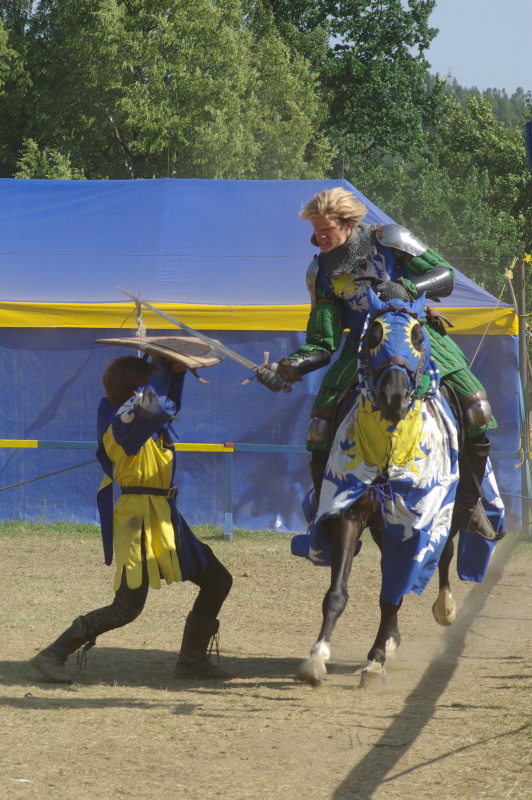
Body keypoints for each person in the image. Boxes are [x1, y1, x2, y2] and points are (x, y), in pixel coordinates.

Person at [257, 186, 499, 541]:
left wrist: (410, 289)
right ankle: (327, 520)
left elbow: (444, 275)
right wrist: (286, 369)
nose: (318, 237)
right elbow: (323, 342)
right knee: (319, 426)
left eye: (325, 229)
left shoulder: (390, 238)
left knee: (477, 408)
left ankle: (469, 503)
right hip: (362, 345)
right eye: (315, 229)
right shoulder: (320, 271)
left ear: (348, 224)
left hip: (414, 335)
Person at [31, 354, 235, 684]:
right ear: (138, 390)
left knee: (217, 580)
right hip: (138, 520)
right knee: (127, 608)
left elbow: (166, 405)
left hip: (166, 519)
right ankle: (53, 654)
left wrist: (175, 373)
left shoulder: (144, 421)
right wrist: (164, 370)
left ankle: (192, 662)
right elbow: (156, 405)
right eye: (149, 383)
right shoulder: (121, 424)